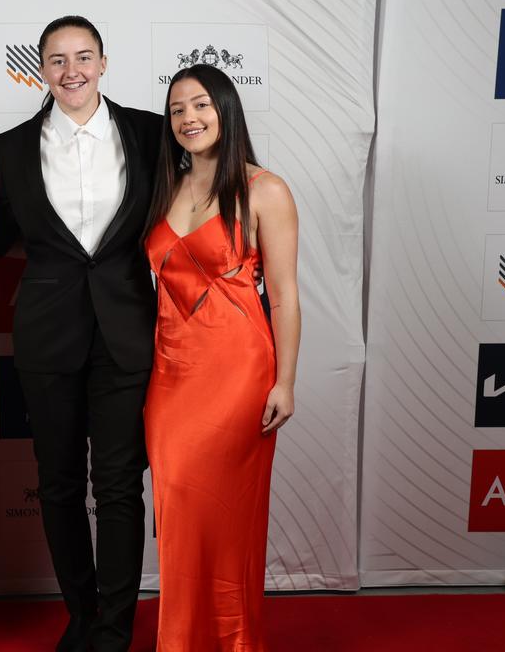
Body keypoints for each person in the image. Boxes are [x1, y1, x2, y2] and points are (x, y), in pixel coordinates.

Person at [0, 15, 162, 652]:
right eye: (57, 60)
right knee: (58, 483)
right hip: (46, 337)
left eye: (83, 57)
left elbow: (204, 189)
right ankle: (81, 616)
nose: (72, 71)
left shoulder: (151, 132)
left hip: (126, 334)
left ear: (104, 62)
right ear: (41, 69)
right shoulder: (7, 150)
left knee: (119, 486)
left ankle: (115, 629)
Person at [142, 64, 300, 651]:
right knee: (179, 515)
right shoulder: (167, 184)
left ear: (227, 109)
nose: (189, 118)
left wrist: (286, 381)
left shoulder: (265, 189)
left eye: (202, 105)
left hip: (237, 373)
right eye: (178, 108)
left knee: (229, 520)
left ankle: (234, 642)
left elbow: (283, 296)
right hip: (169, 375)